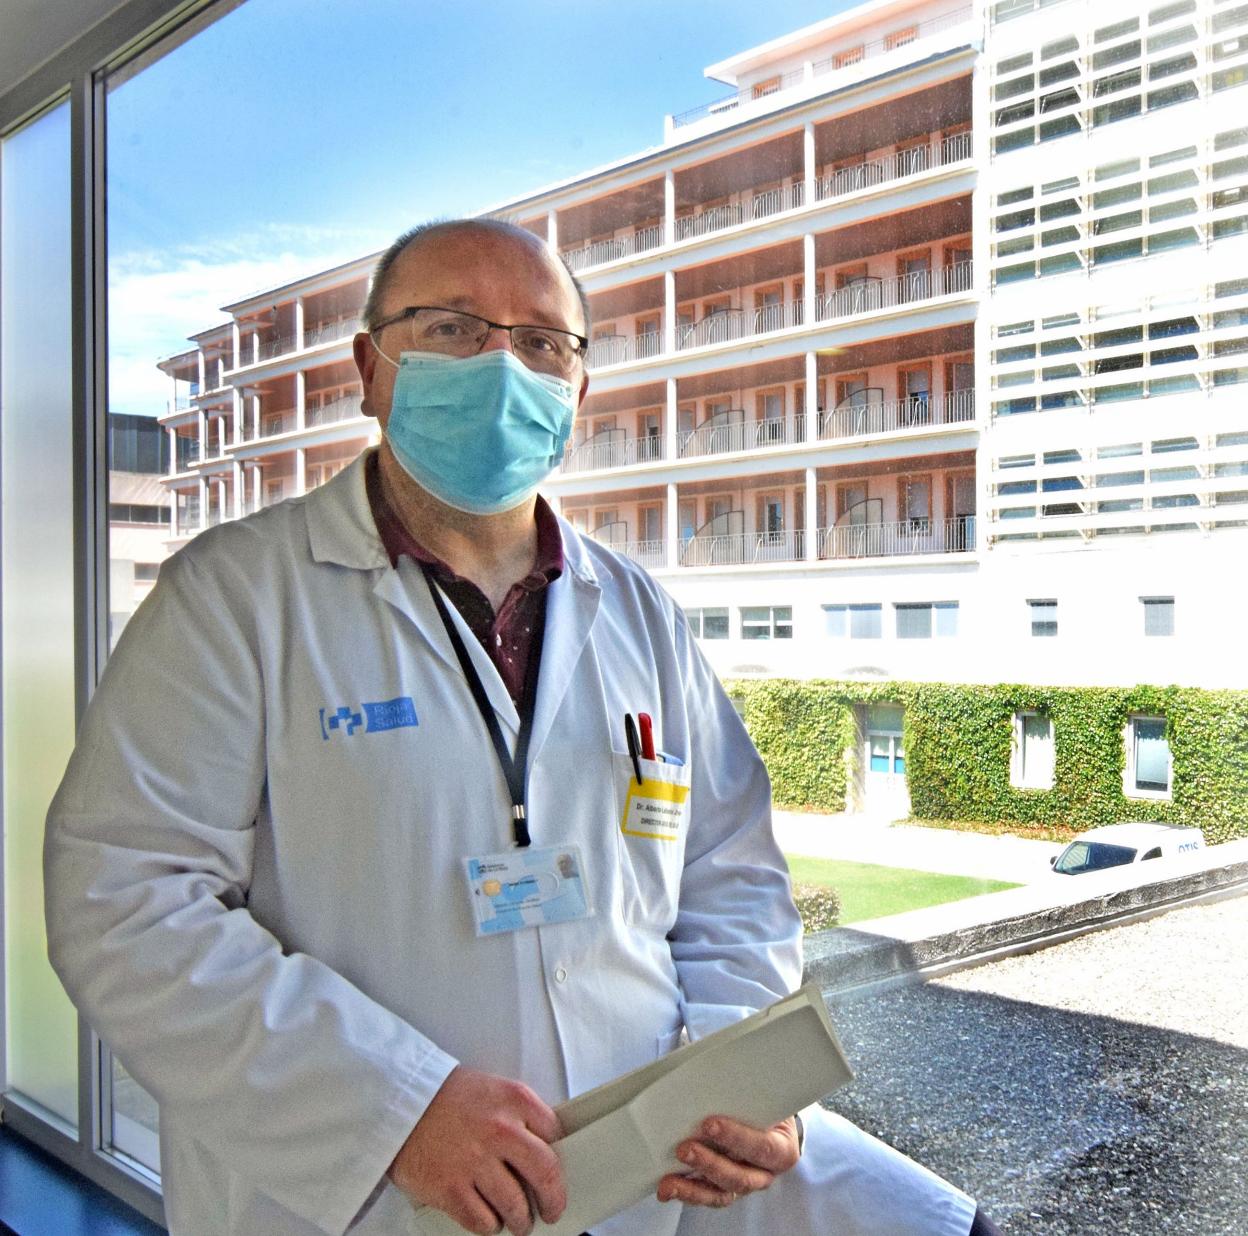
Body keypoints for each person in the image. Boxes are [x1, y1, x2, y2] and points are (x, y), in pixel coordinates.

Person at [45, 219, 997, 1236]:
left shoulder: (636, 611)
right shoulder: (235, 598)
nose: (504, 365)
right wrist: (395, 1112)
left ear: (577, 394)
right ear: (372, 369)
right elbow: (126, 902)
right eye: (454, 327)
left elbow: (730, 872)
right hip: (372, 1201)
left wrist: (732, 1066)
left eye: (544, 342)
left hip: (643, 1179)